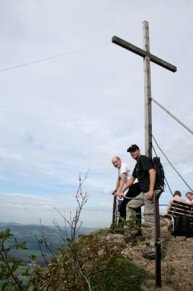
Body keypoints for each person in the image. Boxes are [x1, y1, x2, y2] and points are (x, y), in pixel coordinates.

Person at [118, 144, 162, 260]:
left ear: (138, 150)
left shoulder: (143, 159)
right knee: (130, 205)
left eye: (133, 151)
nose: (132, 153)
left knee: (149, 218)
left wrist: (151, 190)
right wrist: (122, 191)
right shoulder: (137, 164)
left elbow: (152, 172)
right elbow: (132, 179)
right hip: (144, 192)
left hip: (150, 191)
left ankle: (155, 249)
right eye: (130, 152)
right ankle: (133, 231)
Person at [111, 156, 141, 224]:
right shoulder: (120, 168)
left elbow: (123, 179)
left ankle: (120, 228)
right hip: (133, 186)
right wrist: (116, 189)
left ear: (120, 160)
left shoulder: (123, 166)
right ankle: (138, 228)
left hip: (135, 185)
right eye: (113, 163)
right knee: (136, 206)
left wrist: (120, 192)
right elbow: (119, 179)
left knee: (123, 206)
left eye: (116, 162)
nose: (115, 164)